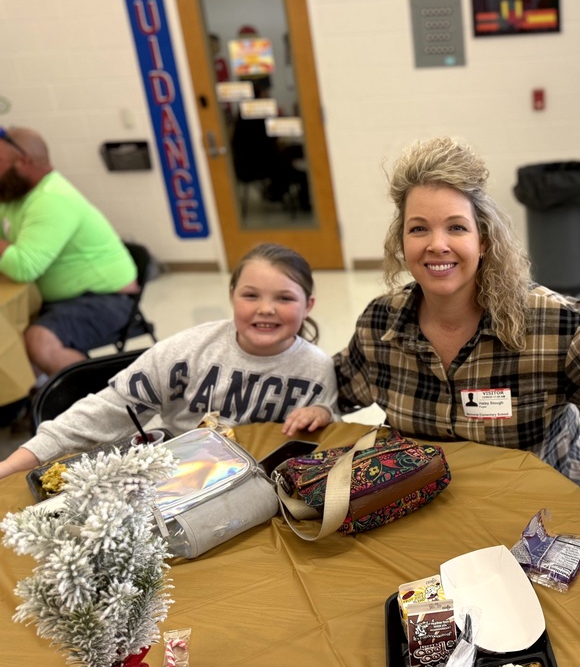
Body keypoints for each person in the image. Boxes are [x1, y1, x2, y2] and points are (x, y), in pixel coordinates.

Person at [332, 136, 580, 499]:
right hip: (429, 504)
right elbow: (332, 386)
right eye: (419, 228)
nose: (437, 244)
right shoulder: (381, 324)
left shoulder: (555, 325)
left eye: (456, 227)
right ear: (402, 240)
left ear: (483, 240)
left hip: (541, 497)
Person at [0, 243, 338, 480]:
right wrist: (13, 465)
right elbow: (101, 414)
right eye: (251, 295)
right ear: (232, 296)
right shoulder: (187, 351)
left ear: (308, 305)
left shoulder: (316, 367)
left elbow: (331, 442)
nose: (266, 308)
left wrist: (323, 414)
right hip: (178, 480)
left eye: (284, 298)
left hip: (269, 490)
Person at [0, 125, 139, 377]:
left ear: (23, 162)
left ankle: (99, 409)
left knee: (39, 340)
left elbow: (24, 266)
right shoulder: (14, 196)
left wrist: (10, 251)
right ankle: (28, 405)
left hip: (107, 299)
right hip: (64, 299)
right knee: (7, 336)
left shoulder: (52, 199)